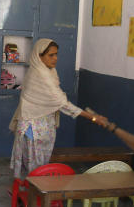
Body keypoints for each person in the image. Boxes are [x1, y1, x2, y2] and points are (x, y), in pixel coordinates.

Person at [9, 38, 106, 178]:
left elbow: (56, 99)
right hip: (34, 128)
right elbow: (62, 103)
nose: (55, 58)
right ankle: (31, 194)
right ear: (39, 56)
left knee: (36, 165)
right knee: (34, 166)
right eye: (51, 55)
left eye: (56, 54)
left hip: (43, 126)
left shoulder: (47, 71)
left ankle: (29, 191)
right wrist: (93, 117)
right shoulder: (41, 75)